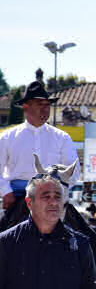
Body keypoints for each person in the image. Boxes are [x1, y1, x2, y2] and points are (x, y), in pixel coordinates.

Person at [0, 75, 80, 230]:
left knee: (87, 235)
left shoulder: (62, 137)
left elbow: (74, 169)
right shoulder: (8, 137)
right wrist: (6, 192)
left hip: (54, 194)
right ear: (26, 107)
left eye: (47, 105)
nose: (45, 109)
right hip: (19, 194)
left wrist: (60, 191)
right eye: (39, 104)